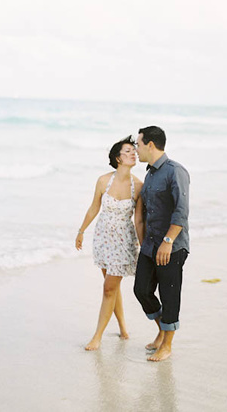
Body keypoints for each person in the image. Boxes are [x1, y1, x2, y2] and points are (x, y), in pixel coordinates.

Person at [75, 136, 144, 351]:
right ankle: (123, 326)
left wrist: (143, 247)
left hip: (124, 242)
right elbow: (94, 208)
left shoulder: (139, 186)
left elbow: (139, 219)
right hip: (103, 238)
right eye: (128, 151)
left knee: (108, 289)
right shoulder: (103, 180)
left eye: (134, 151)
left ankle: (97, 337)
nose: (133, 153)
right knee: (111, 287)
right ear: (118, 158)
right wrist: (81, 231)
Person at [133, 126, 190, 362]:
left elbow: (181, 210)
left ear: (151, 145)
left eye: (138, 144)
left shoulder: (175, 171)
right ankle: (161, 330)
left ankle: (167, 345)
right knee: (142, 290)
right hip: (150, 244)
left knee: (169, 295)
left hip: (172, 246)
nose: (136, 149)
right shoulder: (150, 174)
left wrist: (168, 241)